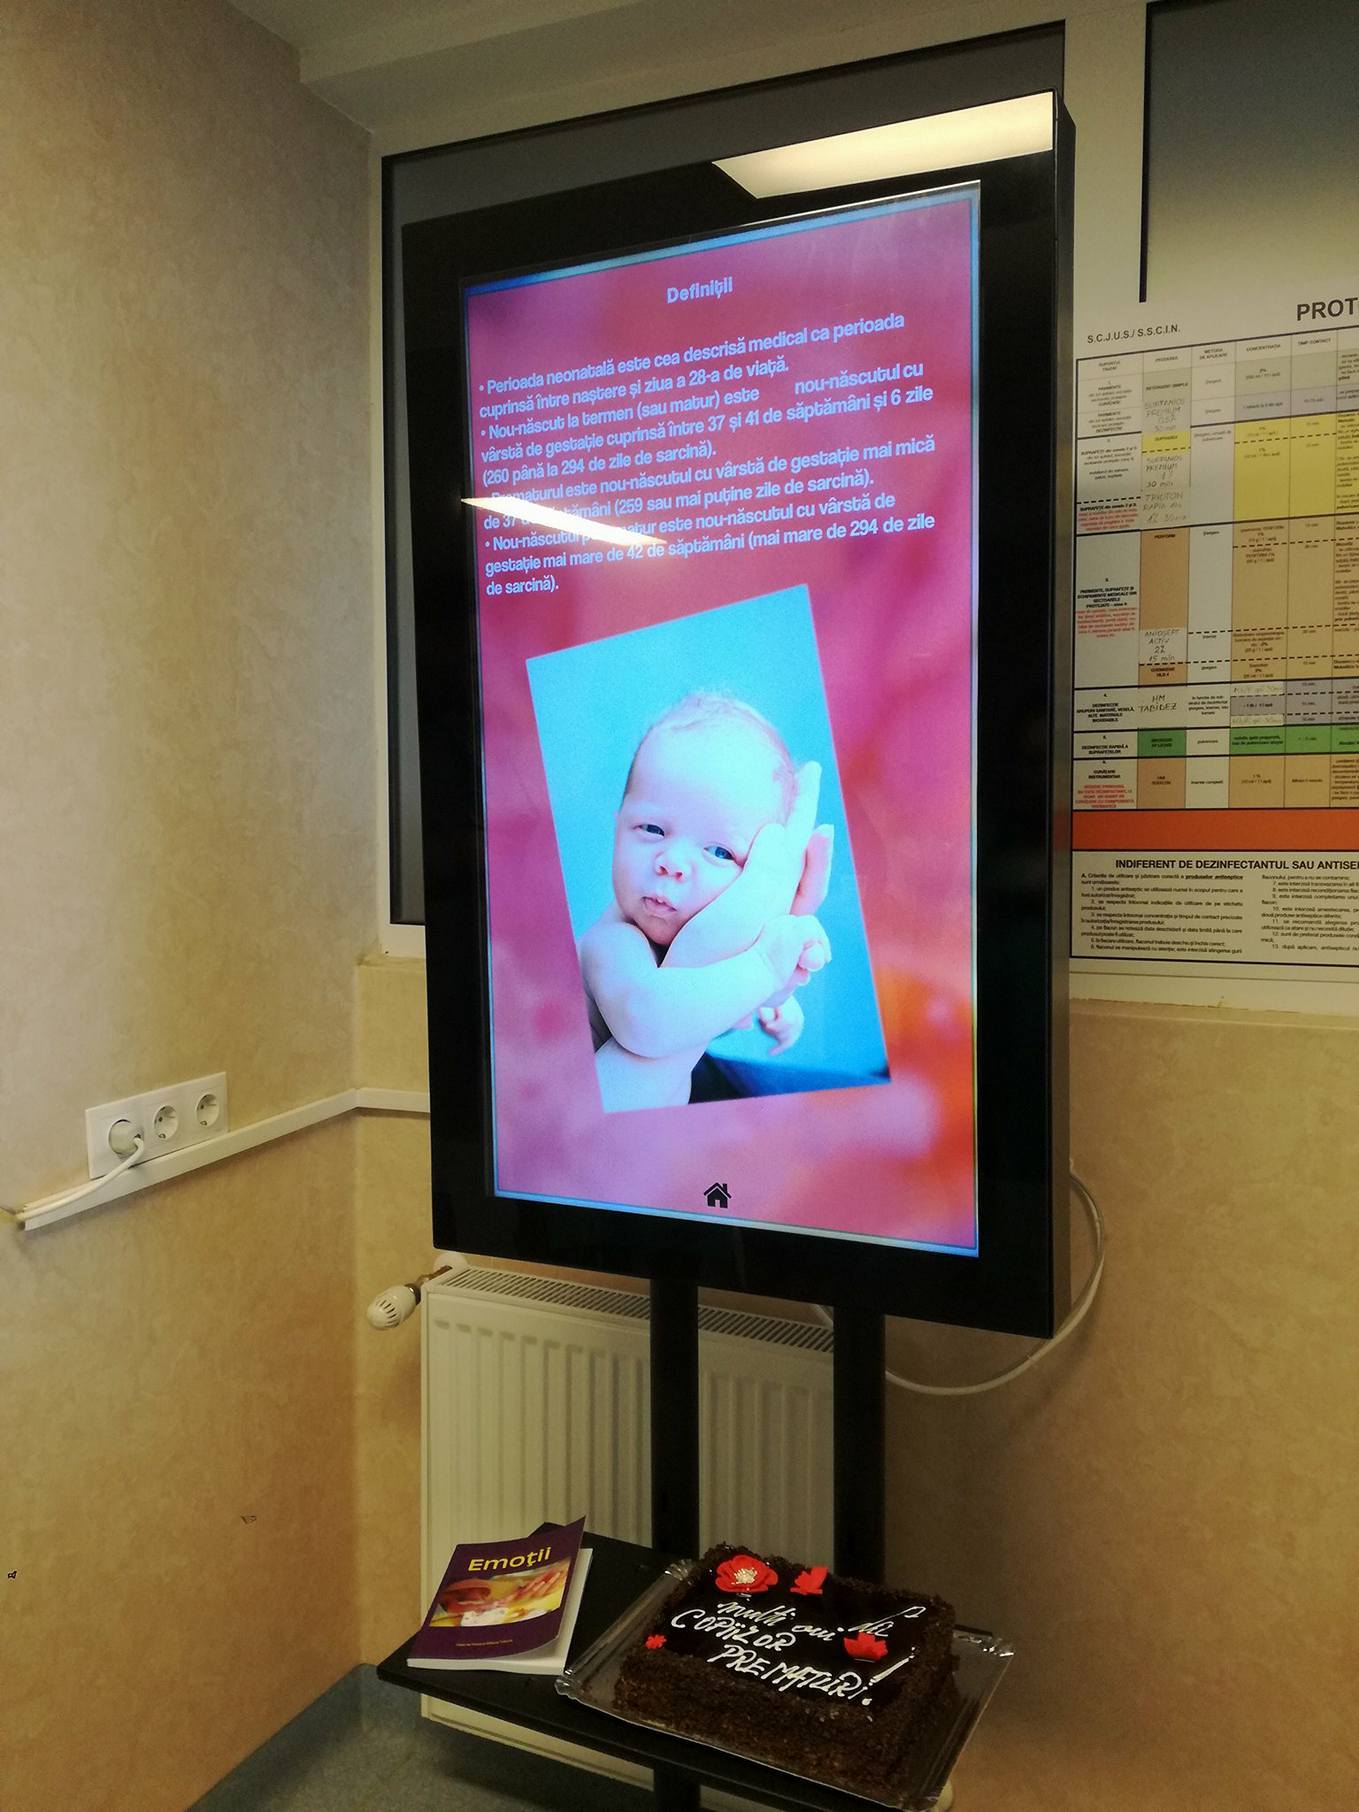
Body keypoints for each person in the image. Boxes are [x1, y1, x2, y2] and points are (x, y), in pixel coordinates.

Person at [578, 693, 834, 1111]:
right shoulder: (613, 943)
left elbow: (698, 1009)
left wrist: (772, 998)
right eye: (652, 829)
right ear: (617, 827)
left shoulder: (700, 939)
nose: (672, 863)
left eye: (719, 852)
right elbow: (649, 1021)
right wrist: (764, 970)